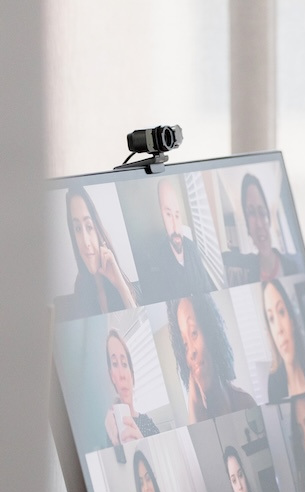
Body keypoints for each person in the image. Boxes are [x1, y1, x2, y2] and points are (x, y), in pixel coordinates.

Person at [168, 293, 256, 423]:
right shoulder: (195, 418)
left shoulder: (246, 403)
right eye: (185, 344)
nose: (191, 351)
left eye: (194, 333)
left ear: (210, 333)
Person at [63, 186, 138, 318]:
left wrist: (121, 286)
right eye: (78, 229)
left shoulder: (116, 273)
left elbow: (137, 317)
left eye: (89, 227)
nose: (86, 242)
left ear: (97, 229)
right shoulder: (80, 289)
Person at [140, 177, 217, 304]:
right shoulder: (157, 261)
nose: (176, 227)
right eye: (169, 215)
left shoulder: (192, 248)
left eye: (177, 215)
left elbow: (207, 288)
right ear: (161, 215)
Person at [263, 279, 305, 402]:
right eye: (271, 318)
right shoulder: (273, 385)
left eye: (281, 312)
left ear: (292, 321)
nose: (279, 329)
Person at [103, 329, 160, 445]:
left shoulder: (148, 424)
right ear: (111, 376)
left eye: (124, 364)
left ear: (132, 375)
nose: (122, 375)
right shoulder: (111, 428)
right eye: (114, 364)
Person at [242, 174, 300, 282]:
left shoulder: (296, 265)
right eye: (251, 213)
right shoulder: (249, 278)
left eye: (262, 212)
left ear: (268, 219)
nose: (259, 224)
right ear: (247, 227)